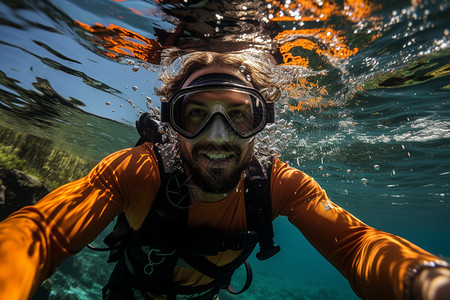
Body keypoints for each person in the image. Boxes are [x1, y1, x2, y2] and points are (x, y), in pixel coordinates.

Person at [0, 50, 449, 300]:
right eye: (195, 114)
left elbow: (357, 246)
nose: (218, 136)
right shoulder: (136, 172)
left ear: (262, 121)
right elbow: (43, 233)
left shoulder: (280, 184)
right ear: (172, 122)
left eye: (239, 115)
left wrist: (424, 281)